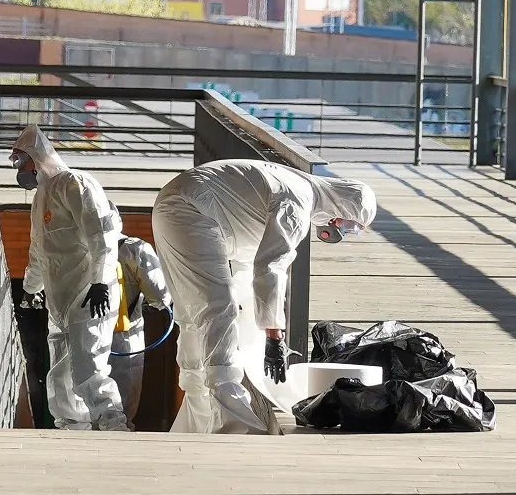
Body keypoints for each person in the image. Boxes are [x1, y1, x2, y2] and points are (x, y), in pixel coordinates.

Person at [151, 160, 377, 434]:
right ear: (343, 207)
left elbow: (250, 267)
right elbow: (270, 267)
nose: (341, 230)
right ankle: (234, 425)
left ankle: (198, 419)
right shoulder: (297, 206)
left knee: (191, 314)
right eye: (350, 225)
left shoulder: (296, 186)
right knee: (216, 311)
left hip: (174, 204)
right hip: (193, 211)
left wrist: (260, 328)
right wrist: (273, 336)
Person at [9, 125, 129, 432]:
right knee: (60, 374)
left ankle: (114, 430)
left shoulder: (76, 183)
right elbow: (39, 250)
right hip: (59, 300)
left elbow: (101, 235)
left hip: (88, 294)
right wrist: (31, 289)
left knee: (89, 367)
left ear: (37, 157)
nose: (20, 170)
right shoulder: (41, 198)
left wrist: (100, 281)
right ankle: (70, 430)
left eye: (22, 161)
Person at [109, 230, 172, 431]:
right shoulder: (133, 248)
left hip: (80, 335)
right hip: (122, 336)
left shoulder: (75, 245)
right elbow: (159, 295)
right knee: (122, 402)